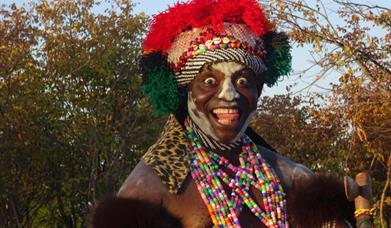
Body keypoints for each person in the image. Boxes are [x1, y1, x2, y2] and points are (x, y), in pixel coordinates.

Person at [92, 0, 358, 227]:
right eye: (209, 82)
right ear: (185, 92)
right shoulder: (149, 189)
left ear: (258, 91)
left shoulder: (291, 177)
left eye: (243, 82)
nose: (229, 95)